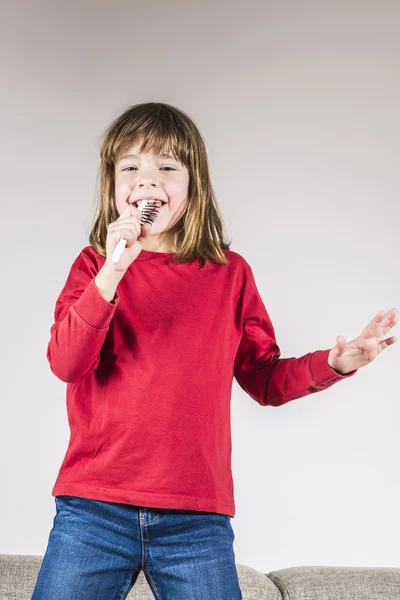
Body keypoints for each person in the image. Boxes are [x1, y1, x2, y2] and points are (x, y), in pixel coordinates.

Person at [31, 102, 398, 600]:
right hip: (94, 508)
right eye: (131, 168)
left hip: (195, 518)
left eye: (166, 168)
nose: (148, 181)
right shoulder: (93, 267)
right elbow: (67, 362)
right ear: (113, 185)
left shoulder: (229, 274)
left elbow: (263, 378)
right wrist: (112, 273)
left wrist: (334, 363)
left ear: (192, 184)